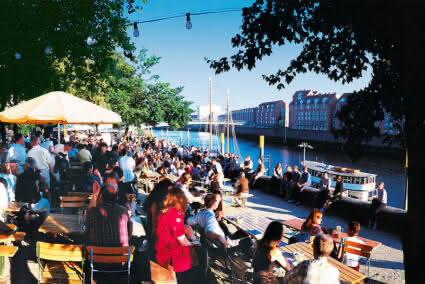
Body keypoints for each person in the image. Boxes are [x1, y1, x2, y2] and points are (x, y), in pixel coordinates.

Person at [155, 187, 197, 283]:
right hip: (168, 255)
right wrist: (194, 244)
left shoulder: (164, 211)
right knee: (201, 252)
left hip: (161, 250)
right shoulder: (175, 213)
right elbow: (181, 240)